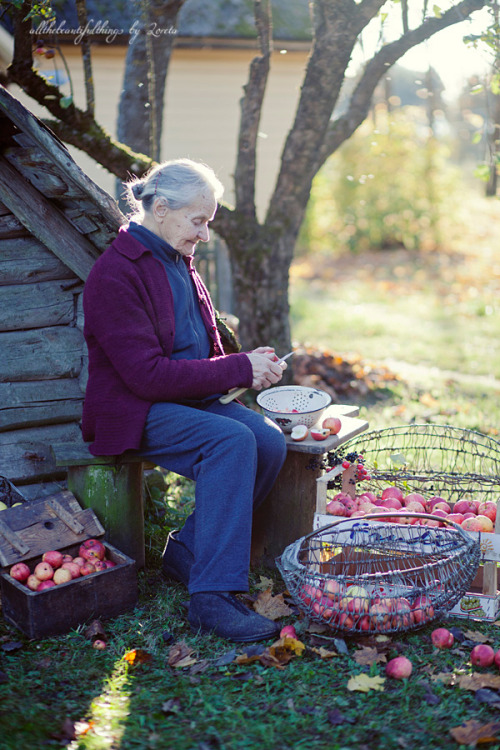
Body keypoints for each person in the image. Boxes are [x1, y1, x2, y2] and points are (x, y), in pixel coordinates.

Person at [81, 158, 288, 642]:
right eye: (199, 221)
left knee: (268, 441)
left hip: (189, 399)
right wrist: (238, 369)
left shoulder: (179, 263)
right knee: (231, 441)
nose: (204, 235)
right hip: (134, 410)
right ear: (159, 207)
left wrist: (246, 364)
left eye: (208, 222)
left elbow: (199, 350)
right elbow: (146, 376)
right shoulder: (115, 274)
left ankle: (187, 551)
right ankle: (211, 597)